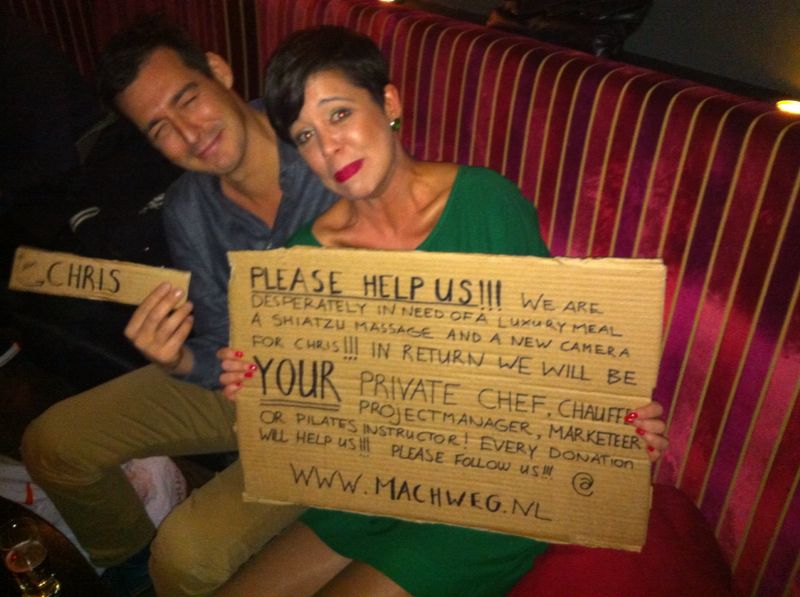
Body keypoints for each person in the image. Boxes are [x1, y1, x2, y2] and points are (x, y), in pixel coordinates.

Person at [217, 25, 669, 597]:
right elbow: (311, 403)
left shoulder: (486, 202)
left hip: (494, 496)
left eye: (339, 115)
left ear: (389, 103)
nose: (329, 149)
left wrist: (611, 421)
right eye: (306, 136)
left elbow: (557, 351)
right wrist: (258, 391)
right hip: (371, 489)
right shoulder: (304, 257)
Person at [20, 15, 336, 596]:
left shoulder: (329, 146)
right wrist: (178, 359)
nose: (189, 135)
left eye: (188, 99)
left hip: (339, 415)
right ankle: (126, 561)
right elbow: (219, 343)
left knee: (186, 557)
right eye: (159, 127)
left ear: (218, 71)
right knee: (53, 444)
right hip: (244, 380)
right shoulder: (189, 206)